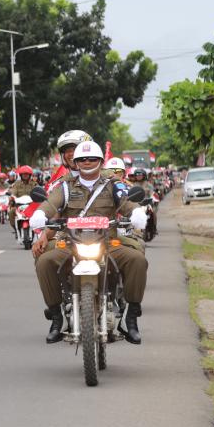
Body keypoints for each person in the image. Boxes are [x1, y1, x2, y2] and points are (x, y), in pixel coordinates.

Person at [29, 141, 148, 344]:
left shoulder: (112, 184)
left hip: (108, 241)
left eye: (91, 158)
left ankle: (131, 317)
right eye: (82, 159)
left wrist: (136, 212)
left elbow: (126, 201)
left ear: (100, 161)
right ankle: (57, 317)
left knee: (137, 260)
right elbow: (51, 204)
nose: (86, 162)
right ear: (76, 162)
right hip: (71, 242)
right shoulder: (65, 187)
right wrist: (40, 214)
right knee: (44, 262)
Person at [9, 165, 35, 241]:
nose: (25, 176)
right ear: (21, 175)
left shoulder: (34, 184)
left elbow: (38, 191)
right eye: (24, 174)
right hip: (19, 206)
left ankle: (38, 230)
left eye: (27, 174)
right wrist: (12, 196)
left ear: (30, 175)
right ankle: (15, 229)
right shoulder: (17, 184)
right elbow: (13, 192)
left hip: (31, 206)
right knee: (11, 212)